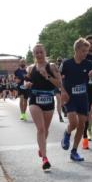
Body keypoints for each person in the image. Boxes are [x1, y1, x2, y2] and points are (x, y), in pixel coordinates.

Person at [58, 38, 92, 162]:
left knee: (82, 125)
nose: (86, 53)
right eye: (83, 51)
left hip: (82, 98)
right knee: (74, 123)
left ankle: (74, 151)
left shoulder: (88, 63)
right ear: (76, 50)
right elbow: (58, 77)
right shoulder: (66, 63)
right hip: (70, 98)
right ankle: (67, 132)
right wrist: (63, 91)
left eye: (87, 51)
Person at [23, 43, 62, 171]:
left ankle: (41, 147)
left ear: (45, 53)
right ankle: (45, 158)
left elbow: (59, 83)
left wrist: (47, 76)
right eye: (37, 52)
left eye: (41, 52)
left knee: (45, 129)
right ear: (34, 54)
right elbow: (26, 80)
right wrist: (27, 84)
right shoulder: (30, 68)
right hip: (35, 99)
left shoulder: (52, 66)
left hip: (49, 99)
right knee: (40, 129)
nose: (39, 54)